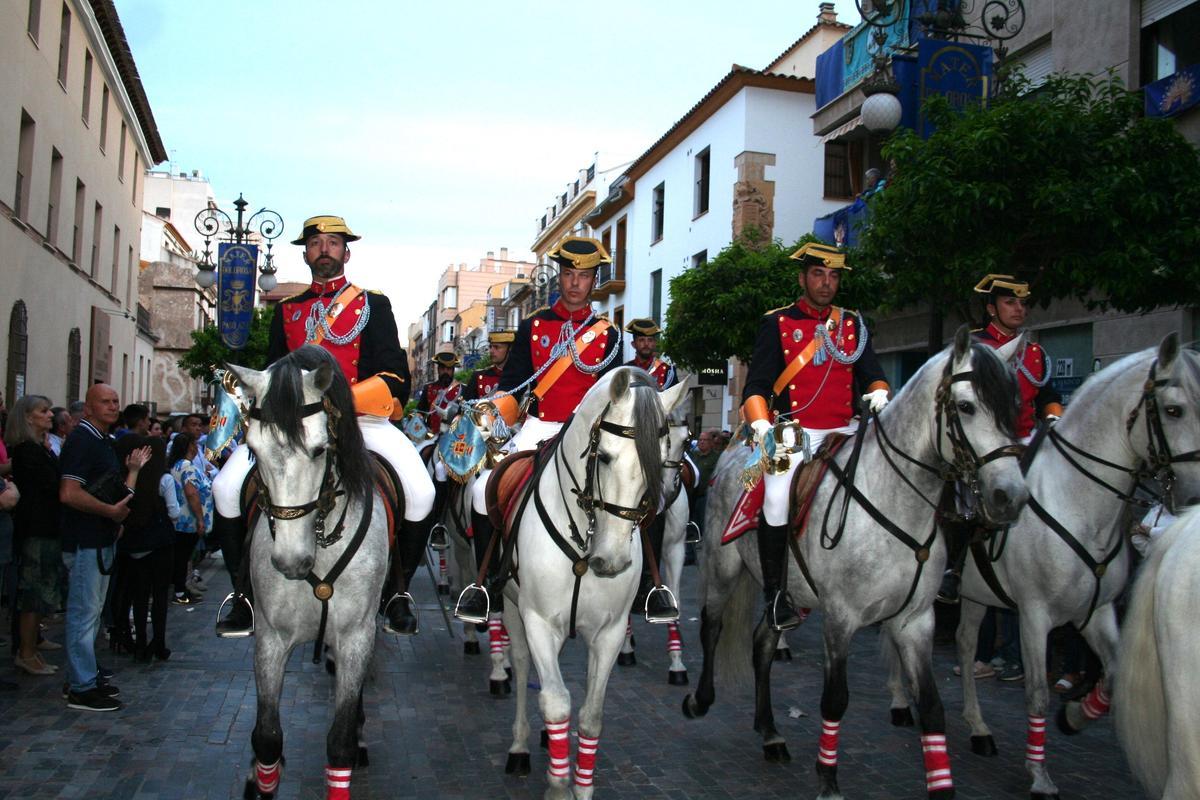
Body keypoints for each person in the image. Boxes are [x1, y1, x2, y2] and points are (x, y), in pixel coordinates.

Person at [211, 214, 435, 637]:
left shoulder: (373, 304)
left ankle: (397, 592)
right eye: (316, 243)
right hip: (295, 426)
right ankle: (242, 594)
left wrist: (341, 400)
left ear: (346, 253)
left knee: (421, 492)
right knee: (225, 488)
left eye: (333, 243)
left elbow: (394, 375)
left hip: (362, 420)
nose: (325, 249)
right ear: (306, 253)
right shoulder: (288, 311)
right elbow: (272, 372)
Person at [456, 235, 624, 623]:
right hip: (539, 424)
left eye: (583, 276)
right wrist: (490, 409)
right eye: (568, 274)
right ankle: (486, 585)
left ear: (593, 280)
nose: (575, 283)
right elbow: (512, 385)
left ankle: (647, 583)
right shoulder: (533, 326)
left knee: (633, 487)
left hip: (589, 432)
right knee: (484, 491)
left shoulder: (609, 334)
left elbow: (616, 394)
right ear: (560, 278)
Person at [741, 242, 889, 631]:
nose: (826, 283)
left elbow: (872, 372)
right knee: (774, 499)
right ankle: (776, 595)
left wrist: (879, 389)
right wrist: (760, 424)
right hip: (792, 431)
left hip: (846, 428)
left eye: (834, 276)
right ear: (802, 277)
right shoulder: (778, 323)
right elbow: (755, 387)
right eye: (819, 274)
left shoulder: (852, 325)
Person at [937, 274, 1063, 605]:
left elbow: (1048, 393)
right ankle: (954, 567)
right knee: (964, 500)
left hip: (1028, 438)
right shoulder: (975, 347)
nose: (1019, 309)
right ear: (992, 309)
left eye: (1023, 303)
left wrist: (1053, 415)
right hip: (986, 440)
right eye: (1010, 302)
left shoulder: (1035, 351)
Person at [59, 383, 150, 711]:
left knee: (92, 612)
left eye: (115, 401)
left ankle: (85, 675)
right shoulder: (83, 440)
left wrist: (131, 478)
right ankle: (81, 686)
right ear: (88, 408)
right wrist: (109, 512)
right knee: (84, 613)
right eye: (105, 402)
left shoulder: (102, 440)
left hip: (100, 538)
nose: (113, 406)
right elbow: (69, 493)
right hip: (85, 540)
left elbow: (112, 491)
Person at [6, 395, 64, 677]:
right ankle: (26, 652)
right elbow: (51, 484)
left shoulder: (40, 448)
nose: (50, 415)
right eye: (43, 411)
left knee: (42, 591)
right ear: (28, 417)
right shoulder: (28, 450)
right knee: (33, 593)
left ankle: (32, 645)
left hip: (46, 527)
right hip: (35, 529)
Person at [113, 435, 175, 662]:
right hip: (159, 540)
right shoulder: (163, 480)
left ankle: (139, 643)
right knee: (159, 596)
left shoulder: (125, 478)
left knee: (139, 595)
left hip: (133, 541)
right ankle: (158, 642)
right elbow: (174, 510)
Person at [418, 352, 462, 549]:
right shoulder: (428, 389)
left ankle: (442, 519)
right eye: (442, 368)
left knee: (441, 468)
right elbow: (419, 415)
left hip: (454, 441)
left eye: (449, 368)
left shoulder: (462, 390)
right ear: (437, 369)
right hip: (433, 437)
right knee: (419, 461)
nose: (445, 371)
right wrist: (419, 424)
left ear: (453, 369)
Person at [168, 433, 212, 606]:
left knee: (181, 557)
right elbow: (191, 492)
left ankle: (181, 589)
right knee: (182, 557)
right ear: (190, 447)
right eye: (195, 445)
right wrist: (200, 519)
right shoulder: (188, 468)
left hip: (180, 520)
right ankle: (179, 592)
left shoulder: (177, 465)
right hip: (188, 521)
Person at [462, 331, 514, 402]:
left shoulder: (519, 377)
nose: (491, 350)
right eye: (490, 346)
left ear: (509, 349)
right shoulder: (478, 376)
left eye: (496, 347)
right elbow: (465, 409)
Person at [623, 318, 676, 389]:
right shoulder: (624, 370)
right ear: (633, 344)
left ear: (655, 343)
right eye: (641, 340)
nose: (646, 344)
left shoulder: (667, 371)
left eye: (650, 340)